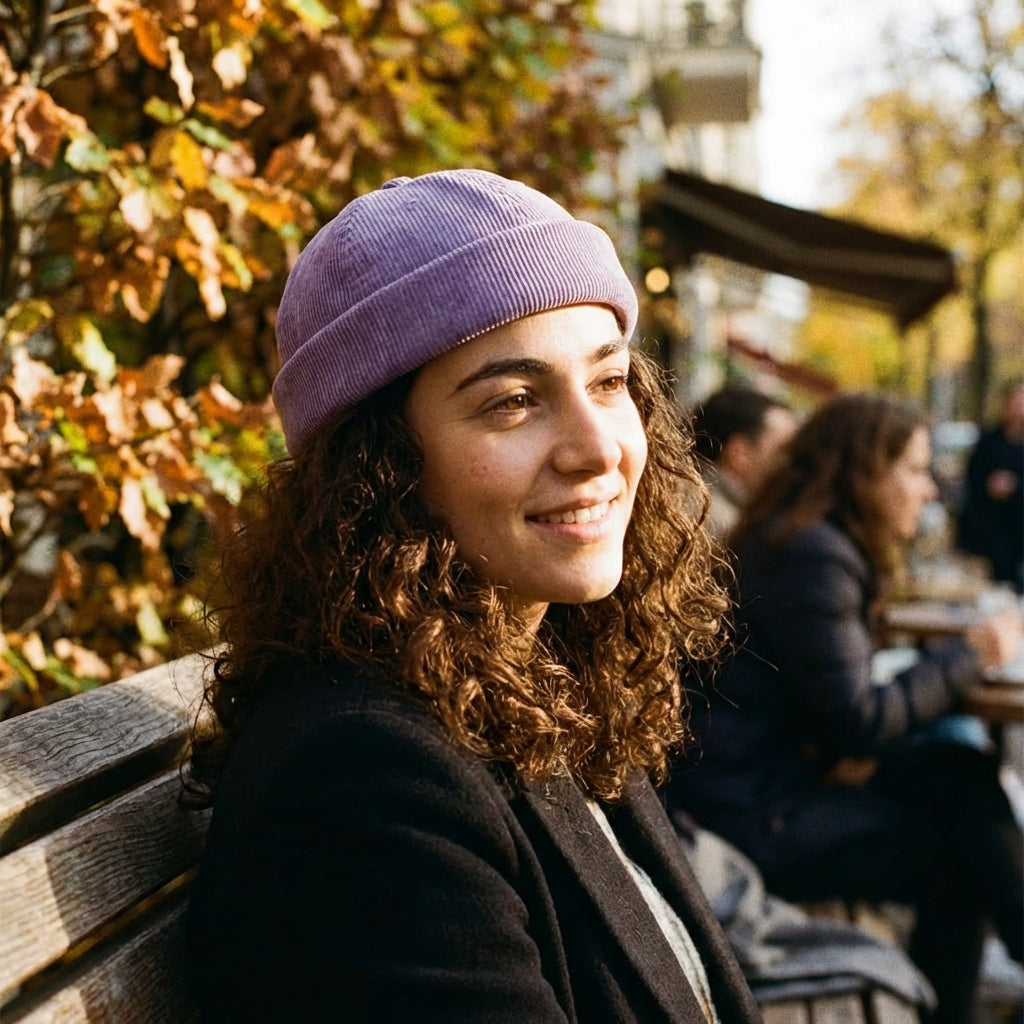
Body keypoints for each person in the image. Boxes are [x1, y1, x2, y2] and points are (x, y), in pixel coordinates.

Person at [183, 168, 762, 1022]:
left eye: (609, 383)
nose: (599, 448)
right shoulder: (365, 780)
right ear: (375, 468)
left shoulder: (536, 669)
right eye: (515, 402)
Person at [664, 392, 1024, 1024]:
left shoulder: (801, 540)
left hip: (768, 781)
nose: (929, 490)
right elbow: (859, 721)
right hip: (754, 816)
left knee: (963, 773)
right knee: (961, 855)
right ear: (865, 472)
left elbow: (833, 711)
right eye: (915, 470)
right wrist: (972, 654)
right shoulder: (813, 554)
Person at [689, 384, 798, 541]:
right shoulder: (721, 528)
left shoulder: (686, 492)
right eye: (782, 451)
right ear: (740, 453)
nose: (789, 464)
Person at [956, 377, 1024, 592]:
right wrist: (988, 485)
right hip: (993, 528)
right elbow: (971, 479)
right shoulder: (988, 440)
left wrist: (1016, 485)